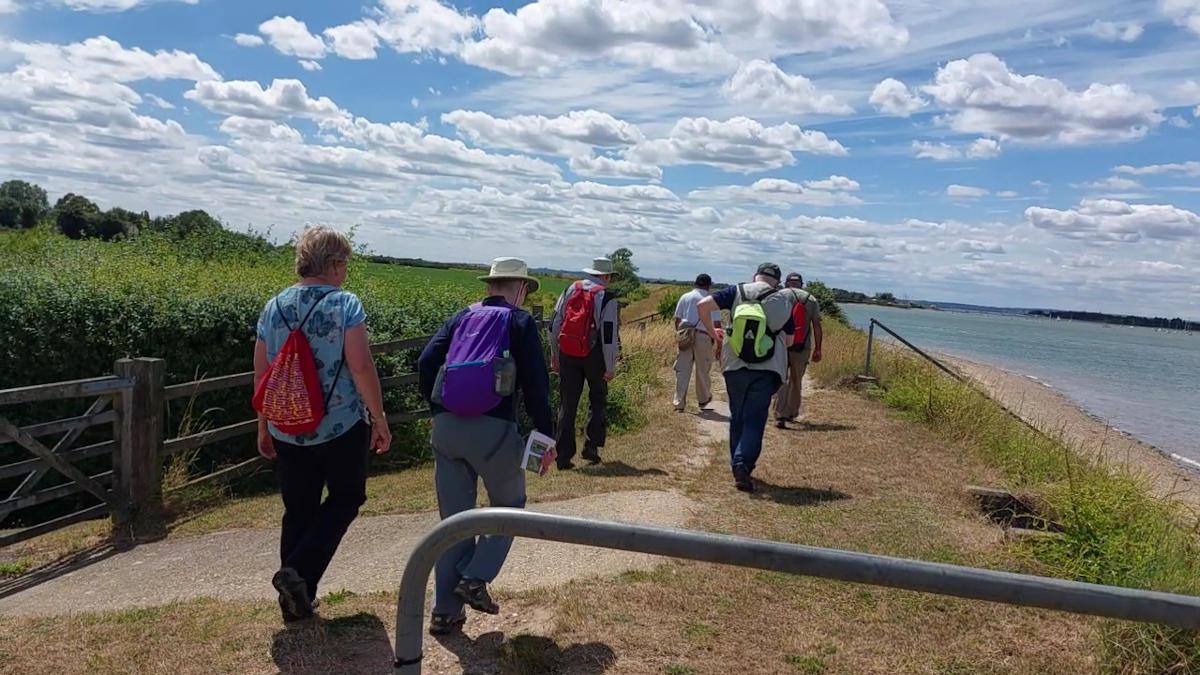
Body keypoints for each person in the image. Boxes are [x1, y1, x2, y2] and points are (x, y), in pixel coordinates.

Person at [254, 225, 391, 623]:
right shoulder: (345, 304)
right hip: (341, 423)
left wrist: (263, 424)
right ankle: (297, 574)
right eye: (344, 263)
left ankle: (296, 602)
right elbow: (361, 366)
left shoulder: (273, 306)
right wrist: (379, 419)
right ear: (332, 264)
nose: (345, 272)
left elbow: (263, 372)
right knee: (347, 498)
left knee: (298, 509)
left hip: (286, 424)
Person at [417, 257, 554, 636]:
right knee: (510, 508)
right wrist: (546, 433)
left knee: (455, 523)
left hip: (445, 429)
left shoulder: (461, 315)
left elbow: (427, 361)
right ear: (521, 288)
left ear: (490, 285)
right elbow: (538, 386)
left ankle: (445, 613)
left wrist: (439, 406)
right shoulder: (520, 321)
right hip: (493, 431)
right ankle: (476, 577)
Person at [696, 263, 796, 493]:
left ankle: (737, 464)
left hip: (734, 363)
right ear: (777, 280)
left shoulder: (736, 291)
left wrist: (715, 334)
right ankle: (743, 464)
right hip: (767, 368)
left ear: (755, 276)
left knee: (737, 415)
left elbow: (702, 306)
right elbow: (790, 341)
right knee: (755, 418)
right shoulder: (783, 300)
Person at [549, 257, 619, 469]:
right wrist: (610, 366)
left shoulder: (571, 289)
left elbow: (555, 323)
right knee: (597, 398)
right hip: (594, 354)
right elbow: (608, 335)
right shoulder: (607, 297)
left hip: (568, 352)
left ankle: (562, 456)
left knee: (567, 404)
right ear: (606, 276)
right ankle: (591, 447)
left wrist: (555, 354)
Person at [774, 273, 824, 429]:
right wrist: (818, 348)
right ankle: (791, 412)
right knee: (796, 380)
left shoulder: (779, 296)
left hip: (781, 344)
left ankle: (780, 414)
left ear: (787, 283)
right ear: (801, 284)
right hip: (802, 346)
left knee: (781, 378)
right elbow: (816, 325)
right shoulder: (811, 299)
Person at [673, 273, 723, 412]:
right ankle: (703, 399)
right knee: (703, 370)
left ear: (695, 283)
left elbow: (677, 319)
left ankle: (679, 403)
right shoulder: (711, 300)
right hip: (704, 336)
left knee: (682, 370)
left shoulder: (685, 297)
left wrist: (679, 334)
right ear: (709, 285)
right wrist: (719, 344)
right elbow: (717, 324)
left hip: (686, 334)